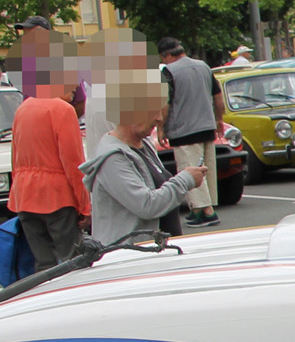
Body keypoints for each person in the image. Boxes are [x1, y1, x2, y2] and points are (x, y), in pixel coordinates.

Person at [79, 76, 205, 245]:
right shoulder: (112, 157)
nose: (159, 119)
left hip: (152, 254)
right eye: (154, 110)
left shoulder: (143, 145)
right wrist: (186, 179)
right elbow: (147, 205)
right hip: (130, 259)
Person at [6, 17, 90, 267]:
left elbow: (15, 156)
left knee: (43, 265)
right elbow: (74, 163)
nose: (76, 88)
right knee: (73, 262)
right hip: (55, 197)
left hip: (25, 196)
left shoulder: (24, 108)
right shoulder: (62, 110)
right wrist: (84, 206)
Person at [158, 38, 224, 228]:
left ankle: (207, 211)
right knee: (206, 169)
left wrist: (161, 127)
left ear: (166, 55)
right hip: (207, 125)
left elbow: (166, 102)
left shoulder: (169, 71)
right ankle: (199, 209)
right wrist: (218, 119)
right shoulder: (203, 66)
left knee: (190, 168)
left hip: (184, 129)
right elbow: (217, 96)